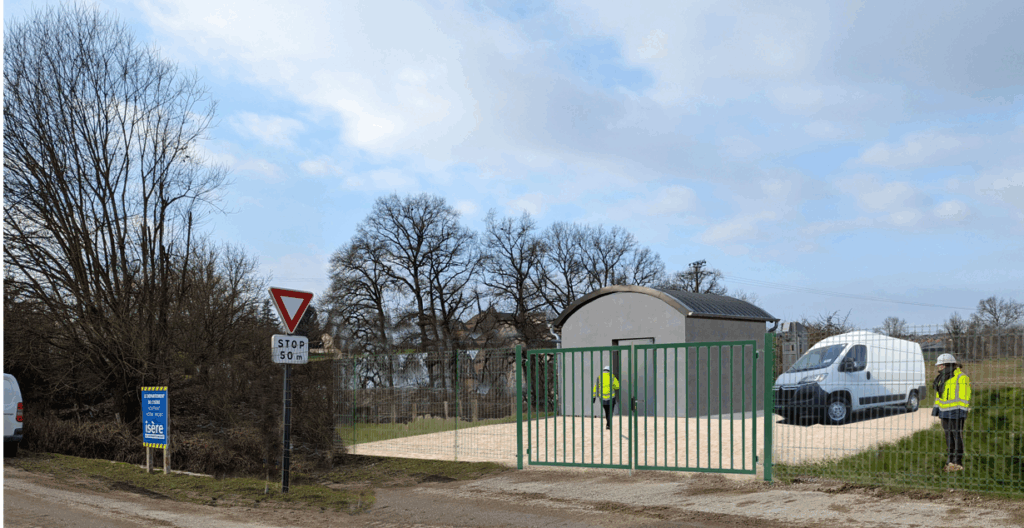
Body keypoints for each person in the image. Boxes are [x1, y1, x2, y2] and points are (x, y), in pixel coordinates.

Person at [932, 353, 971, 472]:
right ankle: (950, 460)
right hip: (944, 413)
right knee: (948, 436)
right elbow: (939, 396)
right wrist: (936, 409)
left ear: (946, 365)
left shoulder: (962, 378)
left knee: (956, 436)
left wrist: (962, 412)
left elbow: (965, 397)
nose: (938, 367)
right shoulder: (941, 378)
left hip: (956, 413)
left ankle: (957, 461)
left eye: (940, 365)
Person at [592, 365, 619, 430]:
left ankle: (608, 424)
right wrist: (612, 386)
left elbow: (595, 388)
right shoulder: (612, 377)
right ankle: (608, 425)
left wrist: (594, 397)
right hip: (611, 398)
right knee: (610, 412)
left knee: (606, 411)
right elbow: (617, 386)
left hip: (602, 399)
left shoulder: (599, 377)